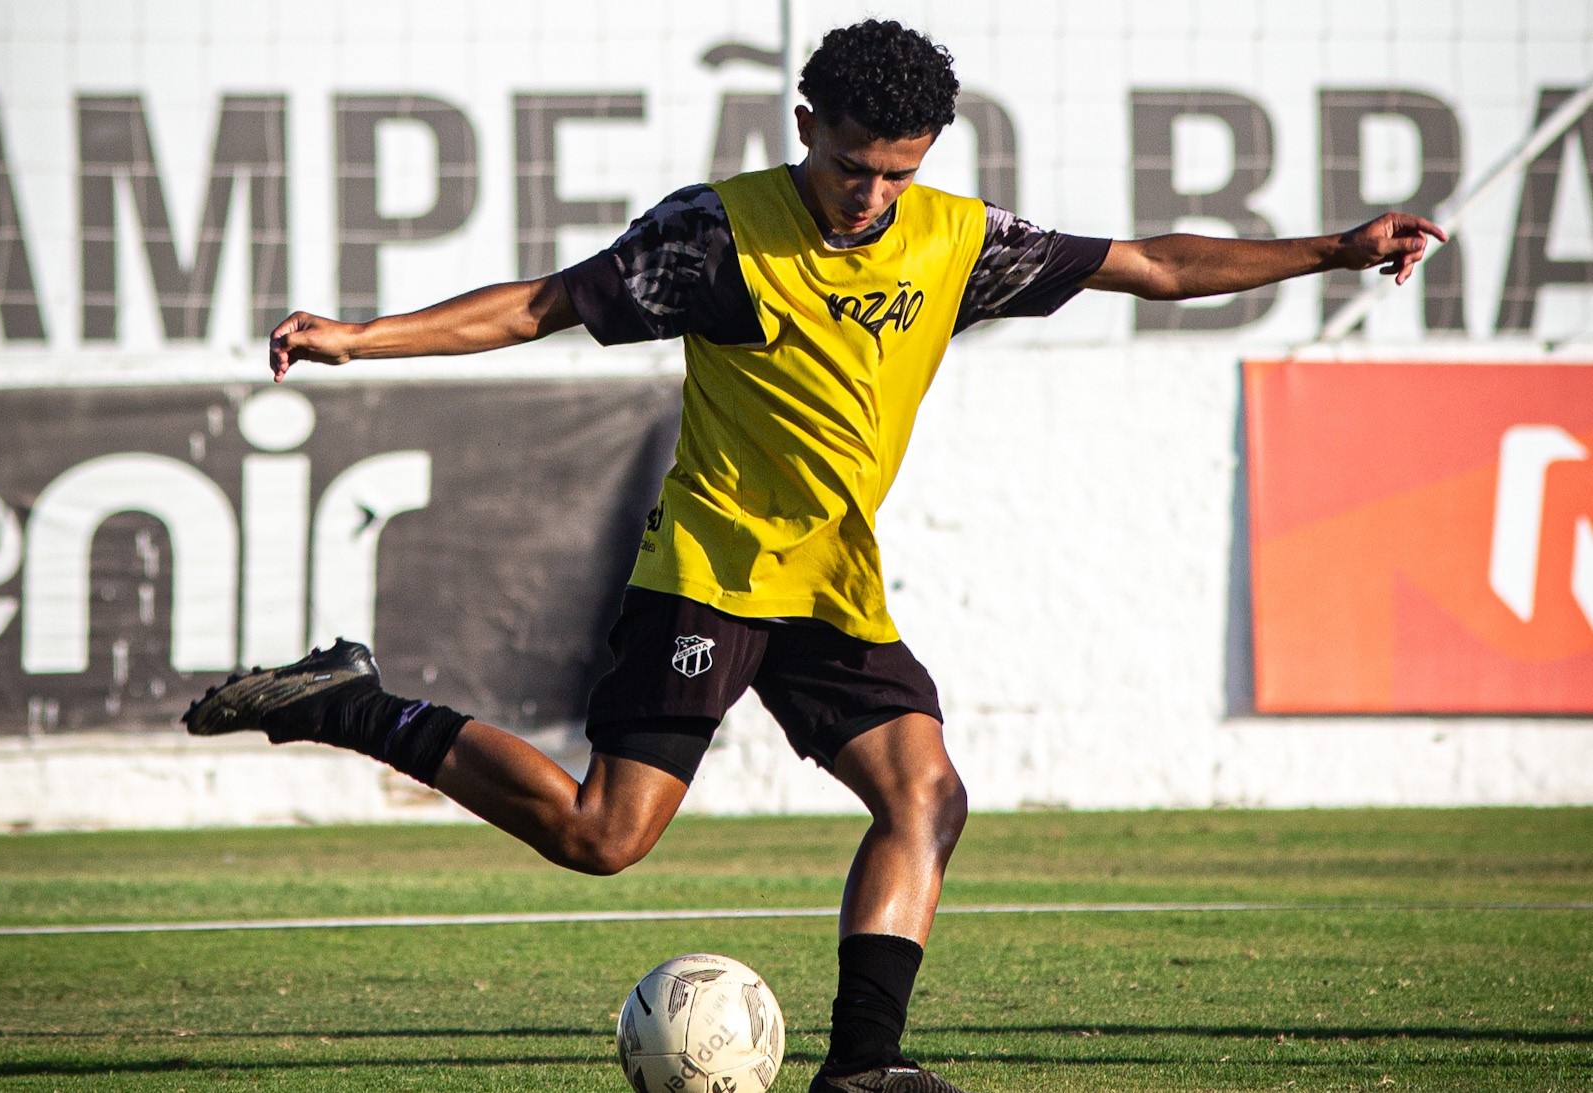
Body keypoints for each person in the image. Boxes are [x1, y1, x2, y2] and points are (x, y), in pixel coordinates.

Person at [184, 19, 1442, 1093]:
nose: (871, 195)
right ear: (805, 126)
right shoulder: (714, 235)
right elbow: (544, 304)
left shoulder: (957, 238)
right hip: (712, 574)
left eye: (898, 173)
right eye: (851, 166)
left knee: (927, 796)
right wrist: (362, 340)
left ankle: (863, 1065)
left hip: (835, 588)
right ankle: (353, 701)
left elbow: (1154, 264)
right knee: (601, 838)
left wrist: (1332, 248)